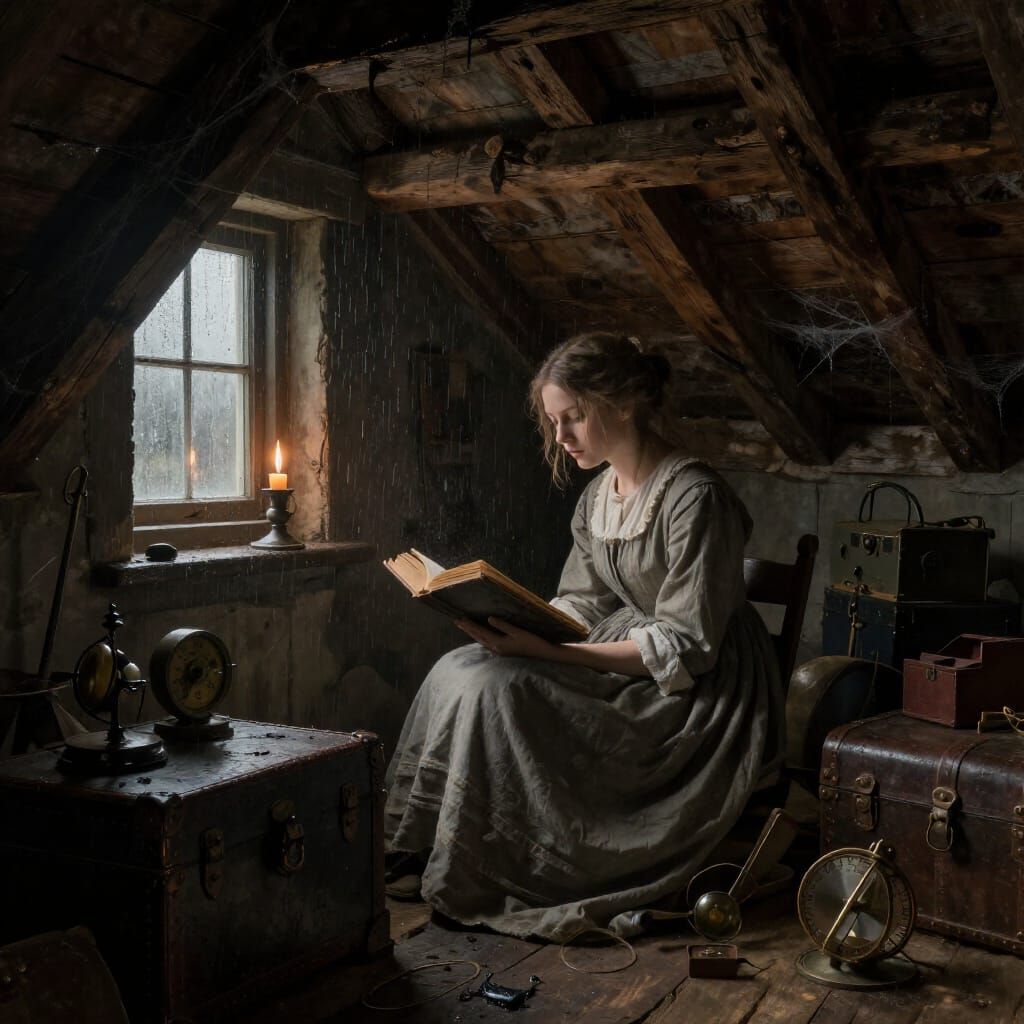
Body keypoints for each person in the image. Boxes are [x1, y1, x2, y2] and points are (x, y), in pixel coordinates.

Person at [383, 332, 784, 941]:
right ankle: (420, 846)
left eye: (573, 417)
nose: (562, 436)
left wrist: (549, 652)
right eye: (554, 421)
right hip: (624, 645)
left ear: (622, 403)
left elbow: (688, 643)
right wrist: (521, 620)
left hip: (696, 688)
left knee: (504, 692)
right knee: (462, 667)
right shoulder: (600, 495)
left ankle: (507, 860)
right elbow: (583, 598)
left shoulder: (694, 497)